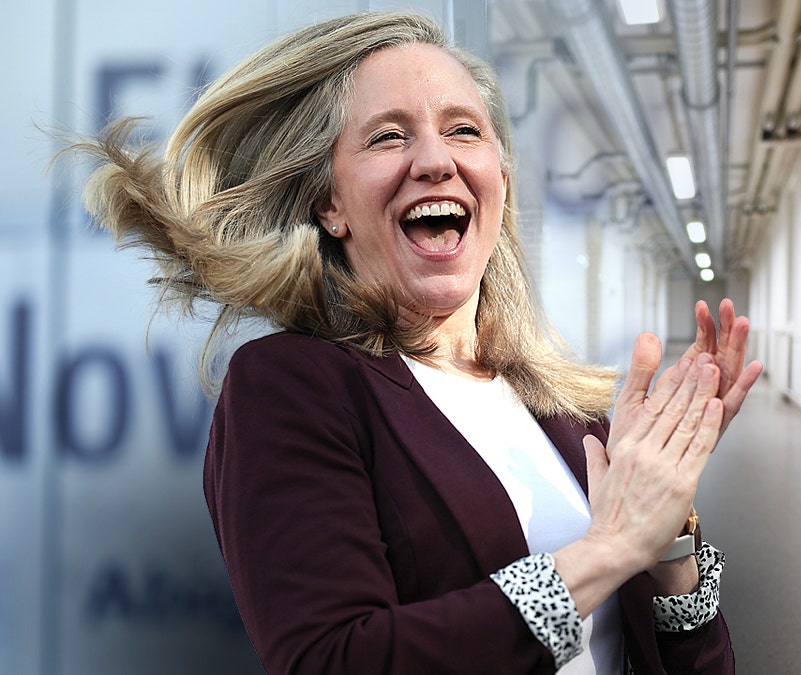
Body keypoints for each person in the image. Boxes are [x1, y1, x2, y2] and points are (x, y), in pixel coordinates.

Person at [77, 12, 762, 674]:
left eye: (464, 130)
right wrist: (608, 549)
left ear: (501, 178)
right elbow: (334, 657)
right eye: (387, 137)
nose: (435, 160)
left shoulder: (559, 406)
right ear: (329, 204)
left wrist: (667, 539)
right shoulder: (289, 386)